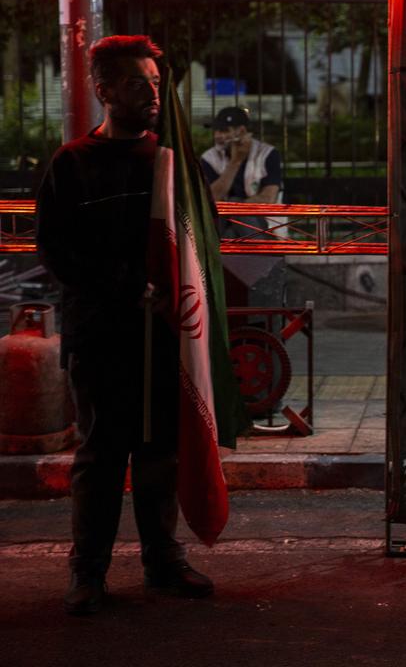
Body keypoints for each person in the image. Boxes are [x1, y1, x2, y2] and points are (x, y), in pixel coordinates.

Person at [35, 35, 214, 615]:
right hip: (100, 334)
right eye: (138, 83)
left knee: (160, 452)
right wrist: (125, 285)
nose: (152, 93)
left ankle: (164, 562)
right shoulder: (72, 164)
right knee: (101, 455)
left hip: (163, 333)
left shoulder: (171, 160)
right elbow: (57, 251)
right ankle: (88, 572)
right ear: (104, 89)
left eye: (157, 84)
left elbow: (199, 240)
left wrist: (179, 295)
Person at [199, 106, 283, 239]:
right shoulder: (209, 158)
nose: (217, 136)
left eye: (224, 131)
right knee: (229, 227)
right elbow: (210, 199)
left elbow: (268, 198)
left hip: (262, 223)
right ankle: (264, 257)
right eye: (216, 131)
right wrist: (235, 162)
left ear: (241, 131)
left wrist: (235, 207)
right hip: (222, 222)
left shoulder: (267, 154)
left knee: (234, 223)